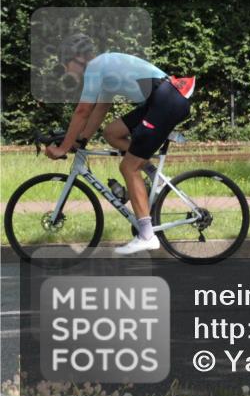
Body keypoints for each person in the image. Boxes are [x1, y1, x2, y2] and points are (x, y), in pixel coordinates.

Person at [44, 34, 194, 255]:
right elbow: (99, 111)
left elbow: (82, 111)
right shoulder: (104, 68)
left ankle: (146, 235)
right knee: (112, 133)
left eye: (65, 63)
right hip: (162, 99)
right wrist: (81, 139)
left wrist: (63, 148)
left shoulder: (95, 68)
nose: (66, 69)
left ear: (77, 58)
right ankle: (154, 176)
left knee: (128, 167)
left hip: (166, 100)